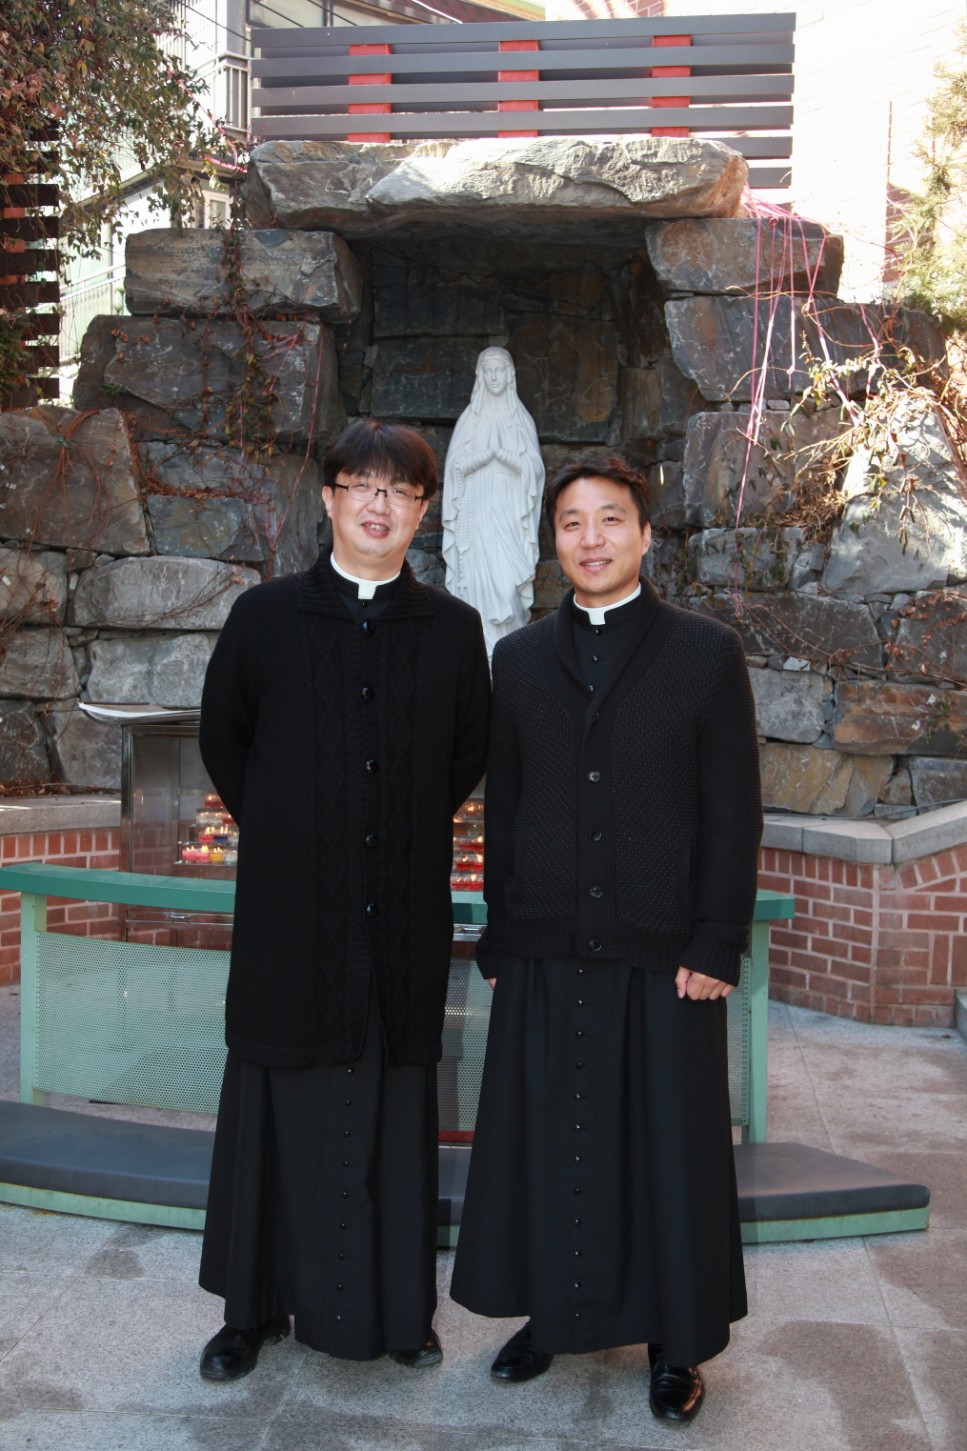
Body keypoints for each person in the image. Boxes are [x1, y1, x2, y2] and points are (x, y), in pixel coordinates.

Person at [450, 456, 762, 1423]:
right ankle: (551, 1314)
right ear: (553, 541)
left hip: (666, 954)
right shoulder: (517, 659)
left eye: (610, 519)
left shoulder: (705, 654)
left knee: (667, 1153)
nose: (590, 538)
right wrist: (500, 933)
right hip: (544, 946)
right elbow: (506, 806)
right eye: (572, 523)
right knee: (547, 1140)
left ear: (644, 534)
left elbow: (732, 810)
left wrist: (716, 940)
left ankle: (675, 1341)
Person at [197, 419, 490, 1380]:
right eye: (359, 484)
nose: (377, 504)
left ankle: (401, 1312)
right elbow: (224, 737)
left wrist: (390, 827)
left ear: (422, 511)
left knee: (393, 1108)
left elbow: (465, 752)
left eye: (398, 490)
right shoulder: (264, 616)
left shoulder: (452, 630)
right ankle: (251, 1311)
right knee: (276, 1101)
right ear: (327, 498)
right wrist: (293, 830)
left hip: (399, 912)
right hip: (288, 912)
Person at [442, 346, 544, 661]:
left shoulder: (519, 419)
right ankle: (479, 653)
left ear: (510, 374)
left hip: (509, 516)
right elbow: (455, 469)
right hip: (475, 517)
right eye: (489, 371)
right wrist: (484, 457)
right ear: (481, 375)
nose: (495, 377)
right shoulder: (470, 420)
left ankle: (508, 654)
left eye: (500, 370)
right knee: (476, 589)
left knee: (506, 586)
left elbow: (534, 470)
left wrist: (505, 456)